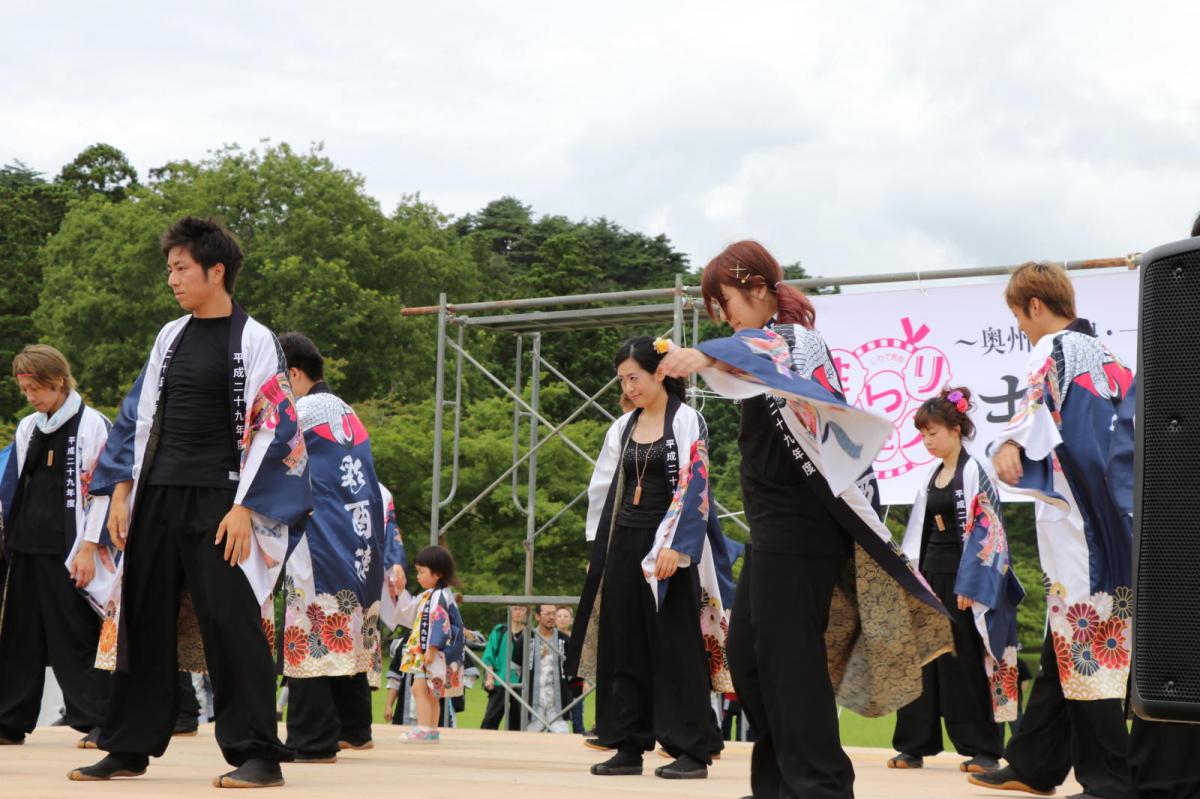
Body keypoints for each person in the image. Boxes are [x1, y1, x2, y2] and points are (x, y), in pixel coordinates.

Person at [657, 240, 953, 799]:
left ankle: (820, 785)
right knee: (751, 660)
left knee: (789, 664)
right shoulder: (759, 350)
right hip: (775, 530)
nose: (725, 315)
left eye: (728, 301)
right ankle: (780, 783)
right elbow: (753, 352)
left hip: (804, 528)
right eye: (717, 308)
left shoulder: (798, 342)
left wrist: (707, 354)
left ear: (762, 290)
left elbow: (763, 348)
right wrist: (721, 351)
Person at [69, 216, 312, 788]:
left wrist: (246, 507)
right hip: (157, 494)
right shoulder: (169, 335)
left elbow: (275, 427)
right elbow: (138, 417)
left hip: (223, 500)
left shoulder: (255, 340)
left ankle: (257, 753)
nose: (172, 279)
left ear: (216, 270)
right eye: (170, 269)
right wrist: (124, 489)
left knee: (231, 623)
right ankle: (127, 745)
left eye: (181, 268)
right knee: (141, 619)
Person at [970, 261, 1135, 799]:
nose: (1021, 326)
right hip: (1108, 516)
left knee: (1088, 640)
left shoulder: (1054, 349)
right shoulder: (1108, 357)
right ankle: (1034, 763)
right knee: (1065, 637)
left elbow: (1034, 405)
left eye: (1018, 316)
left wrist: (1009, 444)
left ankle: (1109, 775)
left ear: (1034, 306)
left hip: (1078, 525)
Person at [566, 336, 732, 780]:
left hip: (671, 542)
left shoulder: (687, 420)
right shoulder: (622, 426)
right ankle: (627, 742)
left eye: (634, 377)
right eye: (622, 380)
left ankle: (692, 747)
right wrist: (597, 551)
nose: (629, 387)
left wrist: (676, 547)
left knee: (675, 645)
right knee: (623, 642)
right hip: (625, 540)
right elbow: (602, 489)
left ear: (661, 372)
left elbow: (696, 484)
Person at [888, 386, 1024, 773]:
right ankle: (914, 744)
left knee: (964, 661)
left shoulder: (974, 470)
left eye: (933, 432)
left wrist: (973, 584)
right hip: (931, 575)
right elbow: (920, 532)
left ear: (955, 429)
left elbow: (989, 531)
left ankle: (982, 748)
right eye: (923, 434)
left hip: (964, 578)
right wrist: (911, 578)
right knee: (922, 659)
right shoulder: (931, 475)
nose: (927, 441)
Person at [277, 332, 392, 763]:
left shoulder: (300, 412)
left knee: (311, 628)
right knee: (348, 628)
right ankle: (354, 728)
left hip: (319, 534)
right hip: (357, 536)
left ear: (292, 374)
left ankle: (313, 736)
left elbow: (277, 467)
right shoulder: (346, 411)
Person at [0, 345, 114, 748]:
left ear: (59, 380)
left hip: (69, 548)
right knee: (19, 636)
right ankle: (8, 720)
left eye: (38, 388)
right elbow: (13, 488)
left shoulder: (92, 424)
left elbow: (103, 492)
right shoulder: (29, 426)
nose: (32, 398)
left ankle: (98, 719)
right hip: (27, 545)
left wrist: (88, 546)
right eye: (26, 390)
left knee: (76, 635)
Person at [393, 545, 464, 743]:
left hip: (432, 651)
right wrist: (400, 590)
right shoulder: (431, 595)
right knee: (433, 691)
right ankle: (431, 729)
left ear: (437, 574)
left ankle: (424, 728)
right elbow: (409, 615)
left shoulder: (440, 596)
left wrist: (433, 648)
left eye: (422, 572)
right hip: (429, 650)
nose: (418, 576)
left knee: (420, 688)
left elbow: (442, 623)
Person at [514, 604, 572, 733]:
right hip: (533, 702)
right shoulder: (526, 638)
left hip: (557, 702)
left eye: (553, 614)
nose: (552, 617)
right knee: (531, 740)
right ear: (538, 616)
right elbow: (516, 667)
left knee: (562, 737)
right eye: (547, 614)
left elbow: (572, 669)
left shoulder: (565, 640)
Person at [480, 605, 526, 730]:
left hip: (521, 683)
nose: (518, 612)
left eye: (521, 609)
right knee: (490, 720)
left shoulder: (530, 634)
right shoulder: (500, 631)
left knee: (517, 723)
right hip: (499, 680)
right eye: (515, 609)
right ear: (509, 611)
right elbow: (489, 656)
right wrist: (489, 678)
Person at [555, 606, 586, 734]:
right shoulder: (549, 637)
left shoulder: (578, 637)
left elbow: (584, 660)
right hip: (557, 680)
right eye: (559, 616)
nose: (562, 619)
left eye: (566, 616)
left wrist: (587, 682)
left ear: (571, 620)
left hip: (575, 680)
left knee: (577, 716)